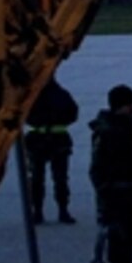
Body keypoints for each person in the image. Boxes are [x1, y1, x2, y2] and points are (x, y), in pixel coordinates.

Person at [89, 84, 132, 263]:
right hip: (116, 197)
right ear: (120, 107)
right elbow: (97, 170)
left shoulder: (126, 128)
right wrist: (107, 191)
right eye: (131, 106)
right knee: (119, 238)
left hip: (128, 194)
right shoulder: (109, 133)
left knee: (130, 239)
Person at [24, 75, 79, 224]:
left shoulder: (33, 95)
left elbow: (25, 116)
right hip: (59, 141)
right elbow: (73, 114)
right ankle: (63, 210)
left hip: (38, 141)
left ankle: (38, 212)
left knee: (37, 179)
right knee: (60, 178)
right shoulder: (62, 94)